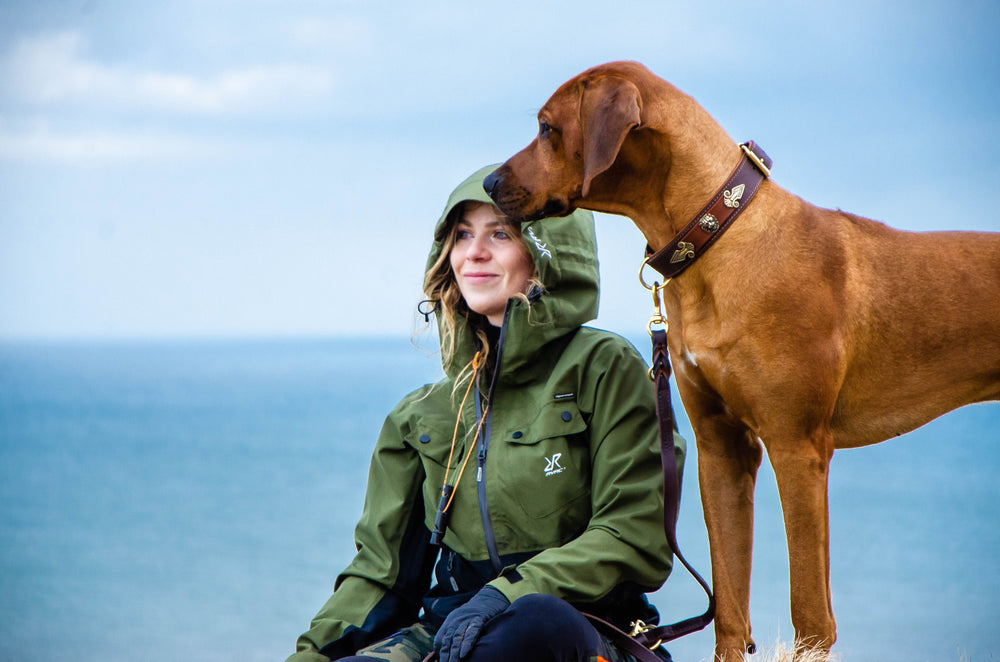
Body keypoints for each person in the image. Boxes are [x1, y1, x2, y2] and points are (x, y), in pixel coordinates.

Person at [287, 165, 686, 662]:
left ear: (549, 253)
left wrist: (505, 594)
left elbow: (634, 536)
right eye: (461, 235)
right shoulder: (420, 417)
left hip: (586, 629)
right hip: (450, 635)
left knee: (535, 624)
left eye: (500, 232)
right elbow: (380, 579)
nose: (473, 252)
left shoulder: (605, 369)